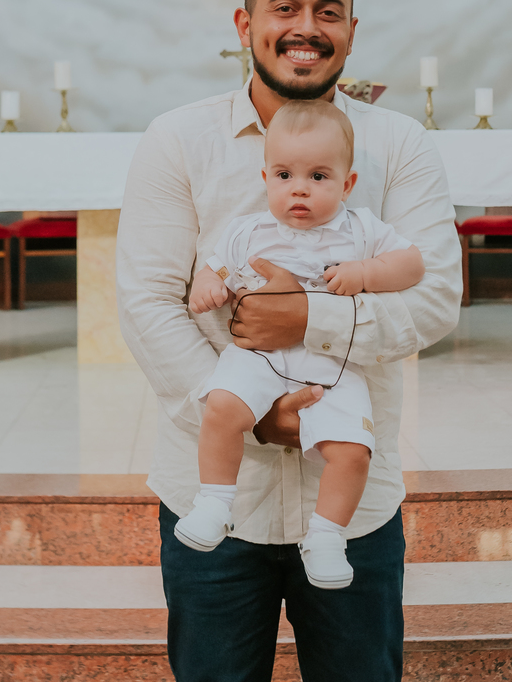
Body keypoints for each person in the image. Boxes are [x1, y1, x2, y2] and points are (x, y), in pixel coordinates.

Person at [117, 0, 482, 682]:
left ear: (352, 33)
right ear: (246, 25)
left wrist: (307, 321)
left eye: (328, 10)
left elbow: (435, 299)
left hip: (348, 501)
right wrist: (256, 411)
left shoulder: (399, 147)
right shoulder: (180, 141)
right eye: (284, 7)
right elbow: (151, 302)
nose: (305, 27)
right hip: (214, 494)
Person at [180, 98, 424, 589]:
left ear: (347, 184)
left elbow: (412, 264)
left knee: (353, 450)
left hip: (330, 363)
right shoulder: (249, 230)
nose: (299, 189)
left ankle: (327, 536)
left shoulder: (360, 230)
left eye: (318, 176)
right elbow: (215, 267)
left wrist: (366, 272)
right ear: (265, 178)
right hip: (258, 355)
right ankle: (214, 501)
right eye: (285, 175)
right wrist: (208, 285)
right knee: (222, 407)